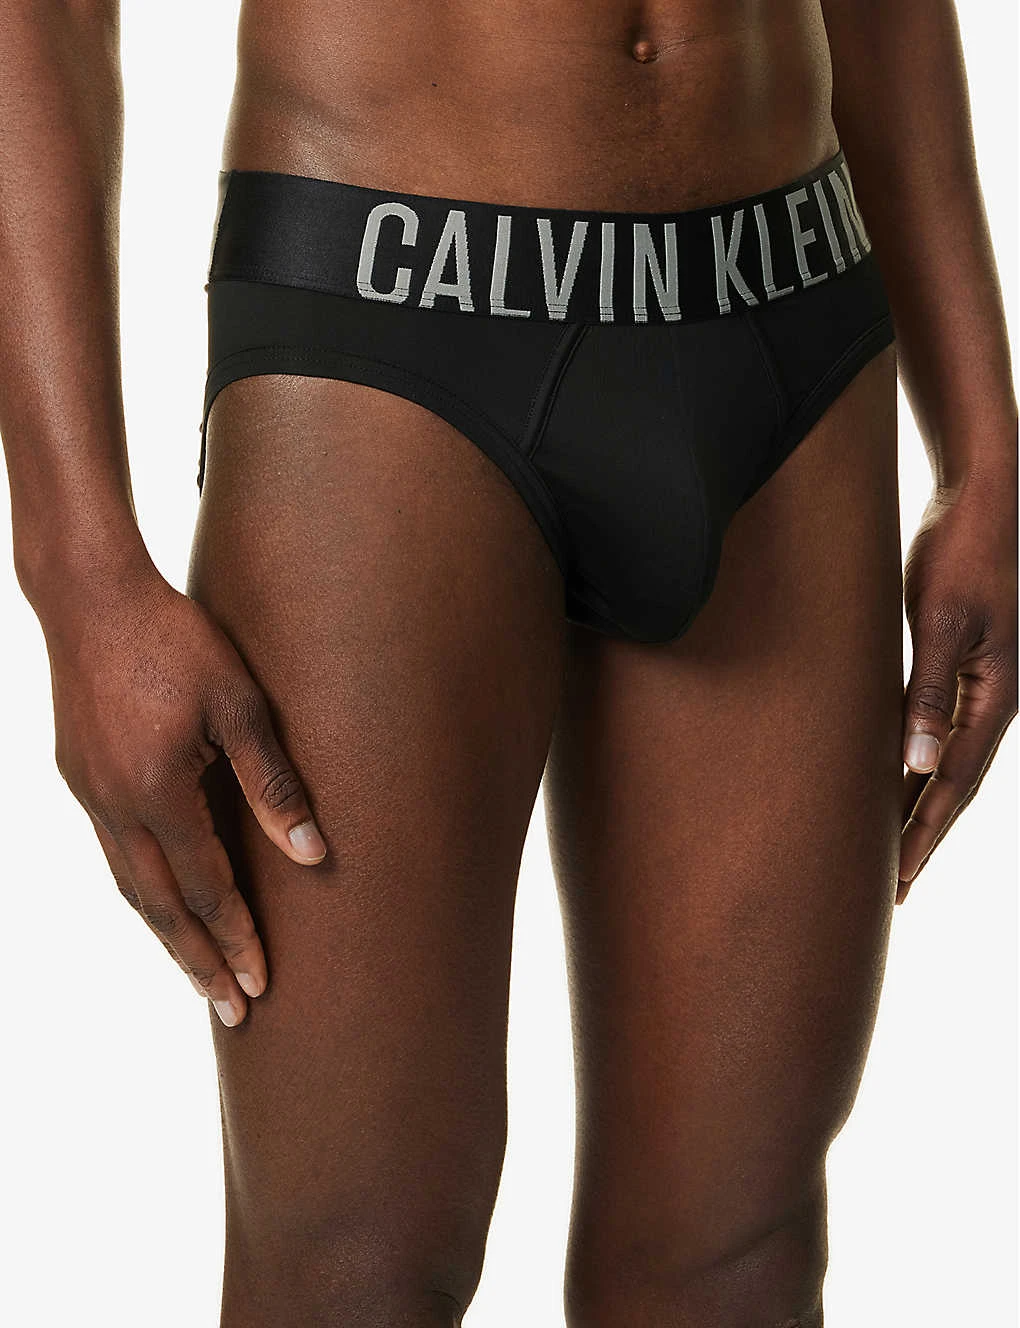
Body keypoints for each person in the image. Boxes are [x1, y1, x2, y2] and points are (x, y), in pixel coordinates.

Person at [0, 0, 1015, 1324]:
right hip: (385, 320)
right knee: (355, 1264)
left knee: (737, 1255)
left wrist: (986, 449)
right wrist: (78, 571)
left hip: (791, 301)